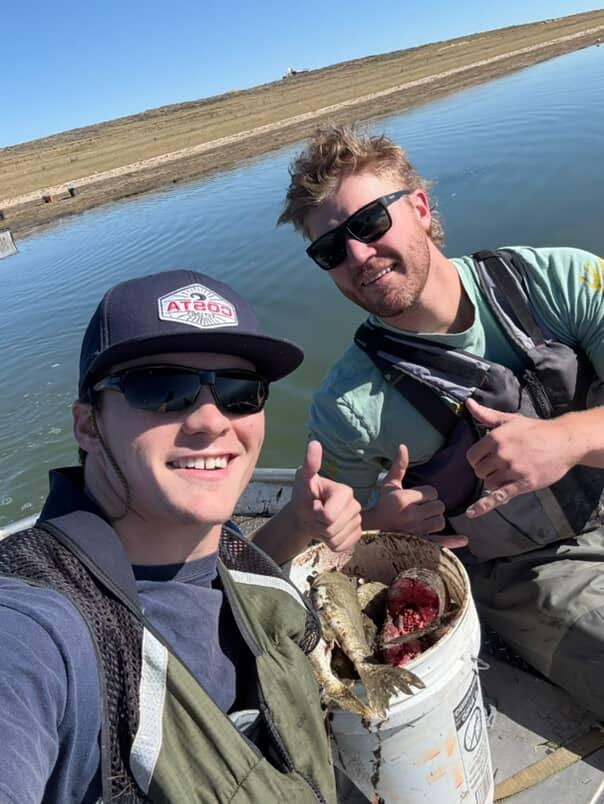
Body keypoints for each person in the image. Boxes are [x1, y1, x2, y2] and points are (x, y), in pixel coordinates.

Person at [0, 269, 363, 803]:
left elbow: (218, 582)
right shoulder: (39, 630)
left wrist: (301, 524)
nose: (212, 420)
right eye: (162, 389)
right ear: (87, 426)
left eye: (241, 392)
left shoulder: (221, 544)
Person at [278, 124, 604, 717]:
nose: (357, 255)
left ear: (421, 209)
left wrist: (568, 438)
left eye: (370, 222)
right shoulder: (350, 406)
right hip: (534, 572)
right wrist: (382, 523)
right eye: (330, 249)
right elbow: (327, 555)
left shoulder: (560, 282)